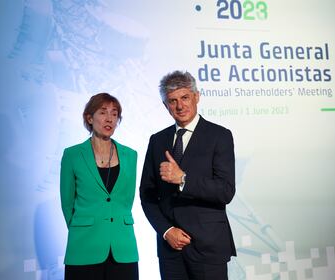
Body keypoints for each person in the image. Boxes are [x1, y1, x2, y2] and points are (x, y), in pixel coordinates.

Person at [140, 71, 236, 280]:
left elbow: (225, 191)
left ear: (197, 97)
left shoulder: (220, 136)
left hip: (208, 247)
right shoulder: (157, 141)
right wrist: (166, 231)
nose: (180, 106)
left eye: (185, 98)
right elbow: (147, 195)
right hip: (170, 250)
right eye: (172, 101)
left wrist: (184, 179)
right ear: (166, 106)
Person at [60, 93, 139, 280]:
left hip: (123, 247)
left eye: (114, 113)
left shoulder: (130, 155)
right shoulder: (72, 155)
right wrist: (84, 227)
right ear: (89, 117)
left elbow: (126, 200)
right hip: (84, 246)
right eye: (103, 112)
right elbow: (67, 203)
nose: (109, 118)